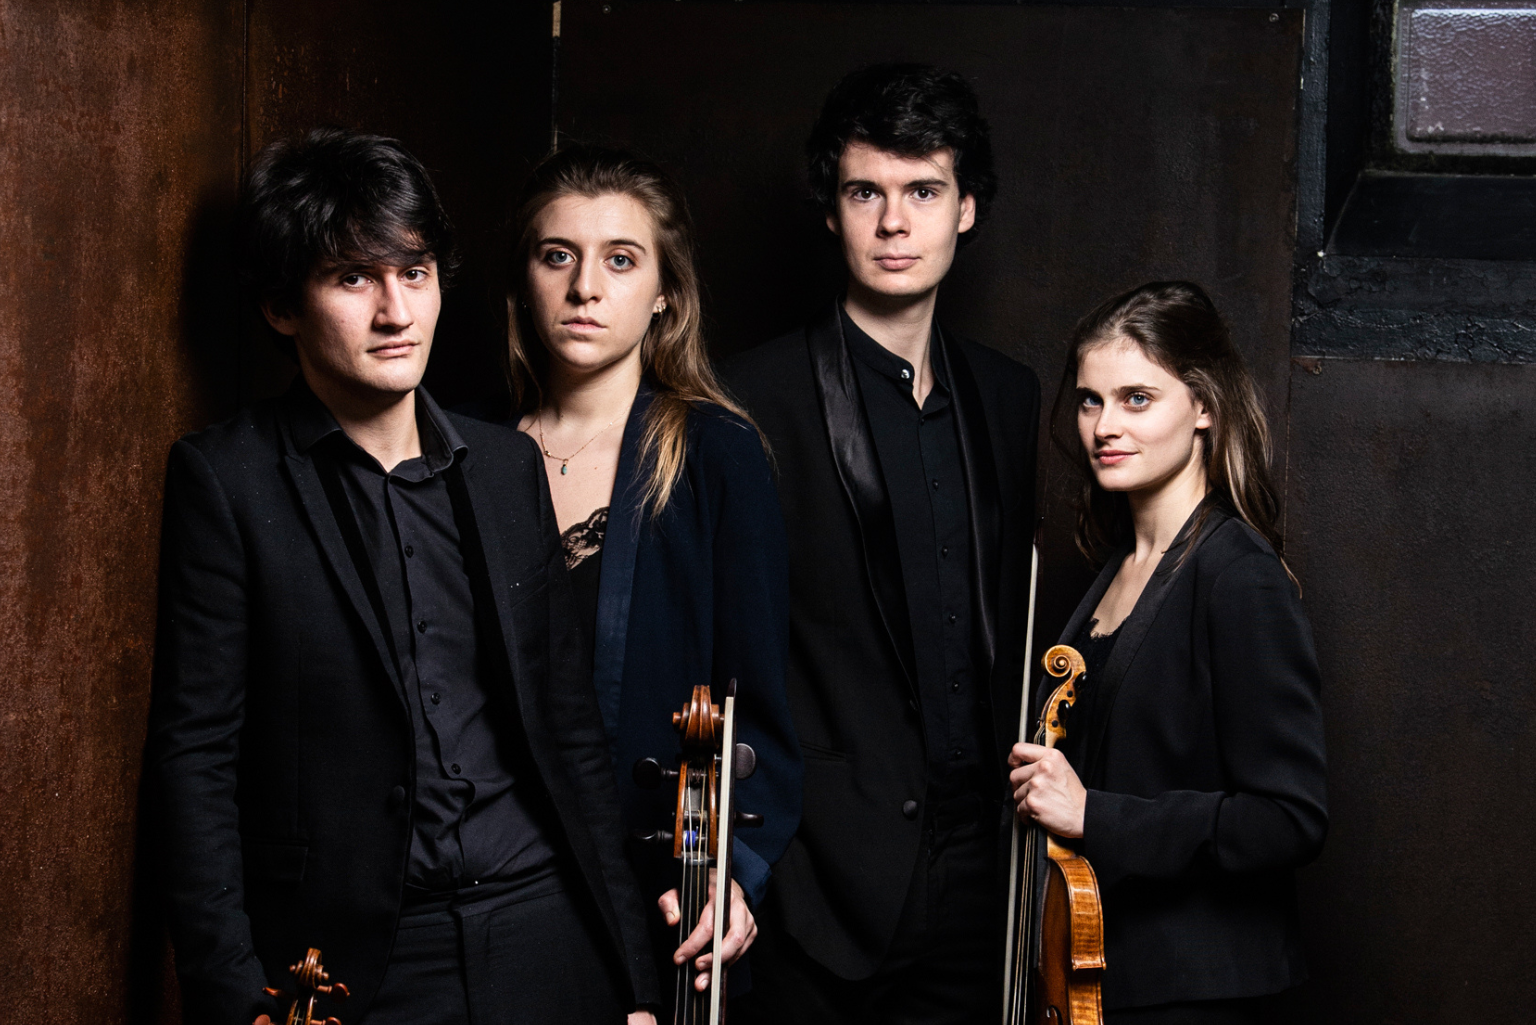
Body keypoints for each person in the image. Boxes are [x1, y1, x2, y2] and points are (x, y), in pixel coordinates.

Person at [146, 128, 658, 1025]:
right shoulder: (226, 482)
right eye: (354, 279)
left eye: (413, 273)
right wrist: (234, 999)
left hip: (548, 932)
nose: (397, 311)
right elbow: (196, 760)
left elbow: (570, 733)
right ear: (280, 306)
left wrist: (634, 982)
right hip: (365, 964)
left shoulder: (506, 469)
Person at [722, 64, 1041, 1023]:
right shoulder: (746, 399)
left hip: (984, 877)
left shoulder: (1010, 395)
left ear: (967, 209)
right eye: (866, 192)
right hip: (819, 884)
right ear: (832, 211)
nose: (894, 223)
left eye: (923, 192)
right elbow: (720, 647)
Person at [498, 144, 801, 1013]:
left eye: (620, 260)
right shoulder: (467, 454)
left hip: (656, 884)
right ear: (526, 279)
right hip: (499, 892)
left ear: (665, 291)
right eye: (558, 255)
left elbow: (758, 711)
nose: (585, 286)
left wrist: (731, 875)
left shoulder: (715, 452)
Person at [1010, 281, 1328, 1024]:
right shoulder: (1116, 570)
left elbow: (1288, 818)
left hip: (1201, 993)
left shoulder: (1238, 576)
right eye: (1090, 400)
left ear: (1205, 406)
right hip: (1102, 980)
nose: (1104, 426)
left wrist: (1094, 813)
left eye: (1137, 398)